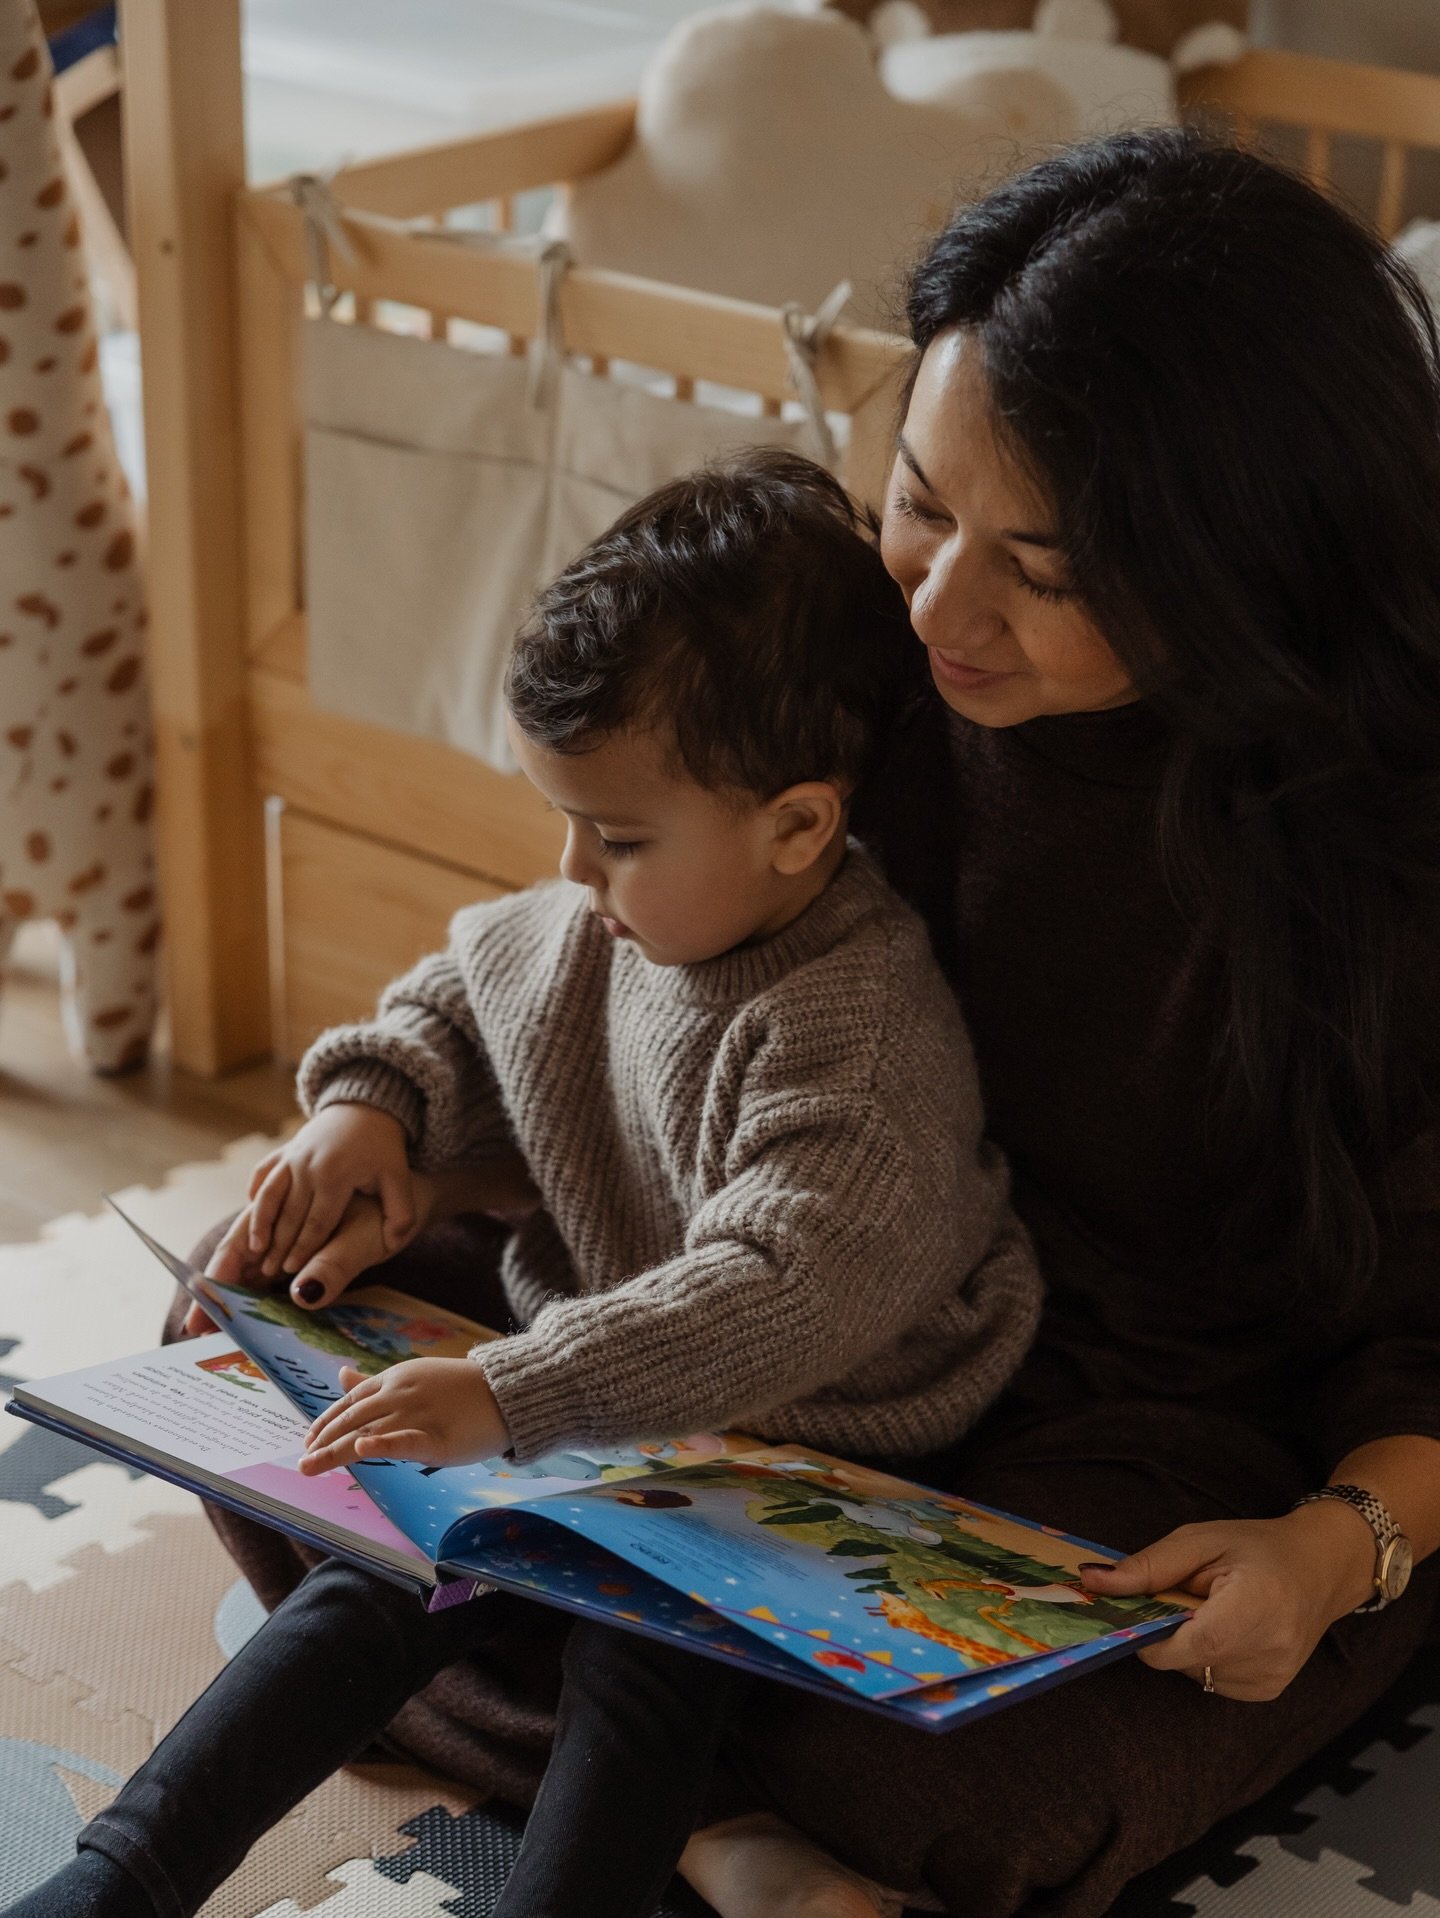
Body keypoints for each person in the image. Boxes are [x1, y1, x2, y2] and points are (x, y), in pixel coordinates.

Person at [140, 127, 1440, 1918]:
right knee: (244, 1328)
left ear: (1245, 558)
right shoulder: (849, 655)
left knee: (993, 1778)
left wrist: (1338, 1546)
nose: (937, 603)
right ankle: (703, 1811)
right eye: (921, 494)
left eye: (1042, 569)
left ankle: (645, 1750)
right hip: (722, 1301)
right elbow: (590, 960)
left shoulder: (1375, 845)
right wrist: (394, 1129)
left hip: (1126, 1422)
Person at [4, 450, 1041, 1918]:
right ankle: (117, 1877)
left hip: (817, 1437)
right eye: (564, 819)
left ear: (799, 828)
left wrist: (511, 1392)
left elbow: (782, 1287)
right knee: (383, 1571)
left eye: (614, 838)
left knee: (640, 1653)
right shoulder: (614, 916)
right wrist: (370, 1108)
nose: (570, 869)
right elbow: (467, 988)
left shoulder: (863, 1030)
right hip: (594, 1407)